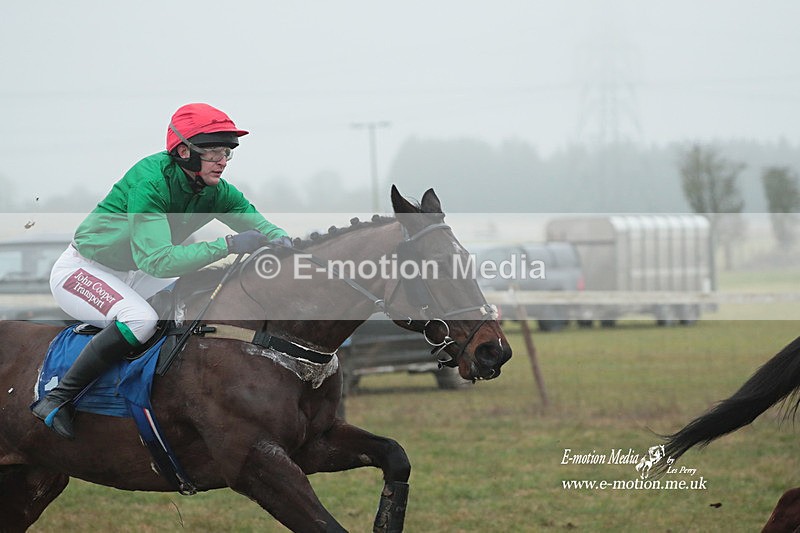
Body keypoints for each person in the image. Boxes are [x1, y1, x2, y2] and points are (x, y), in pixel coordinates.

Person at [32, 103, 291, 439]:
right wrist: (226, 245)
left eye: (227, 151)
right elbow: (160, 262)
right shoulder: (150, 182)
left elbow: (252, 218)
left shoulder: (213, 189)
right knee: (140, 320)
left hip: (135, 270)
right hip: (83, 271)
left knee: (193, 298)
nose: (223, 160)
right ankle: (58, 398)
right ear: (184, 151)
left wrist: (284, 240)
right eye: (214, 151)